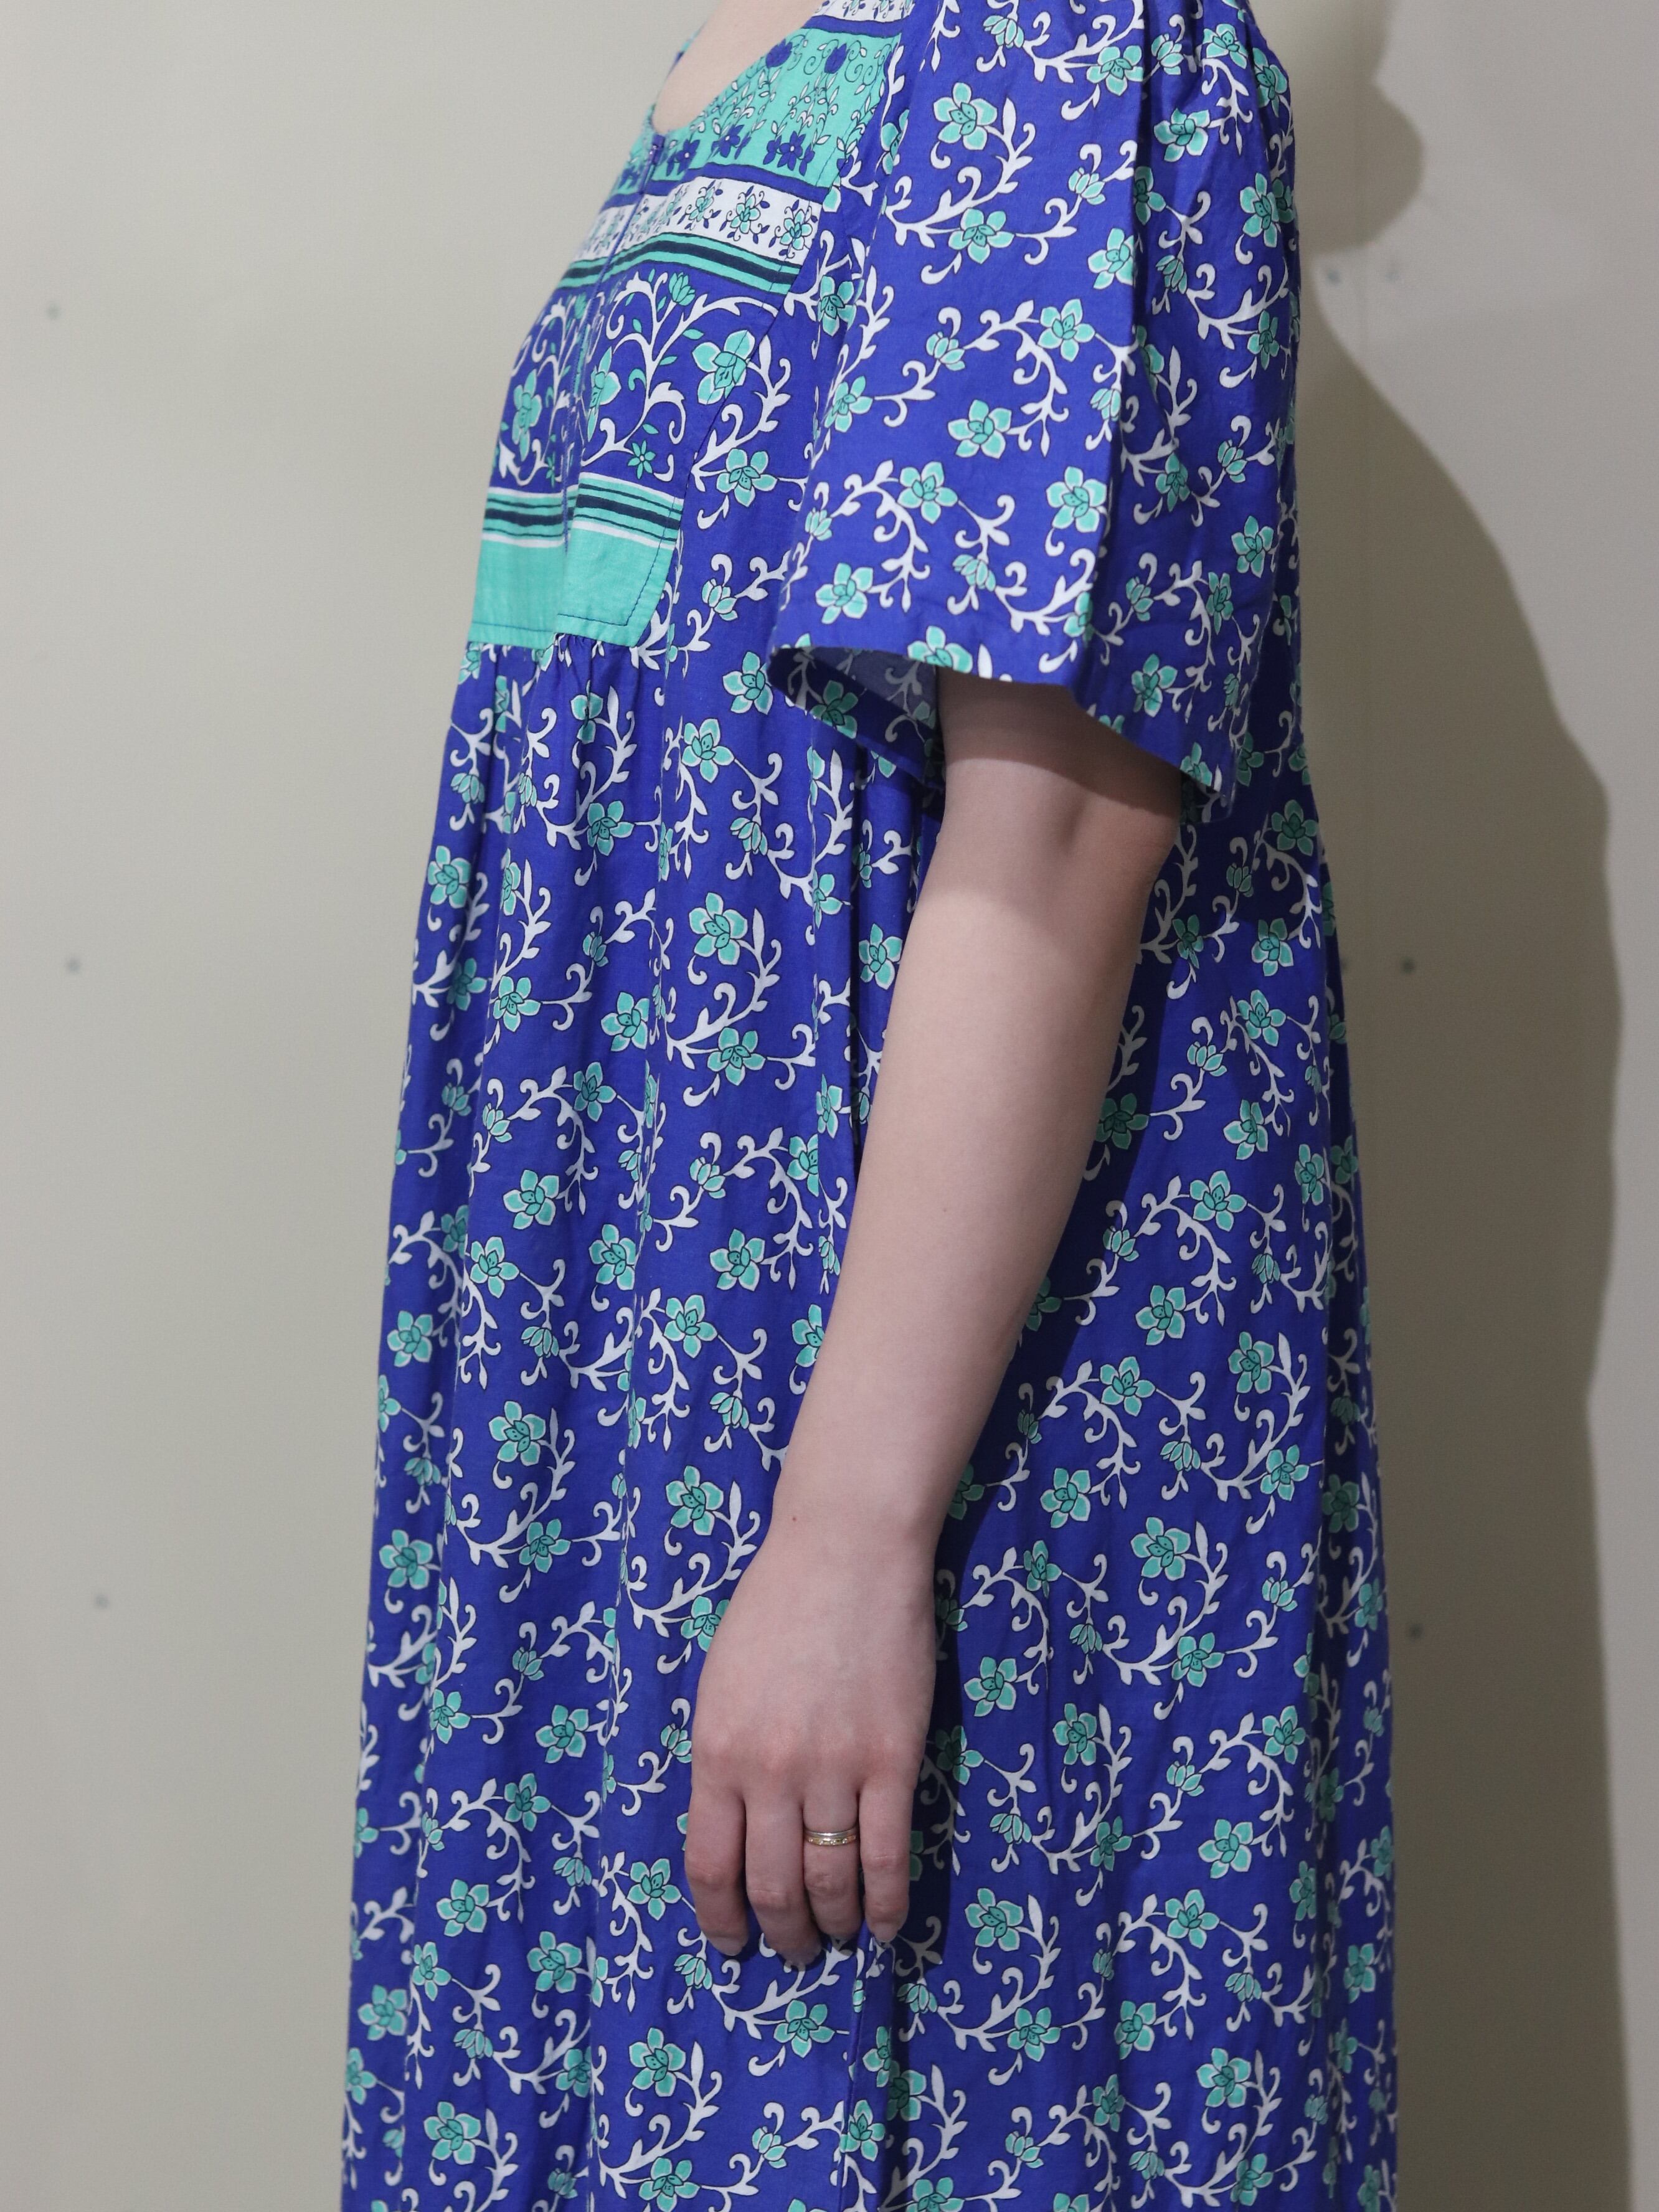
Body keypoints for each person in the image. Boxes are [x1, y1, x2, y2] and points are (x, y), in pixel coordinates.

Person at [343, 2, 1396, 2205]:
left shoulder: (1067, 43)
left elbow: (1058, 832)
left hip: (901, 1420)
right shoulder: (746, 49)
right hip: (634, 1392)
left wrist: (844, 1542)